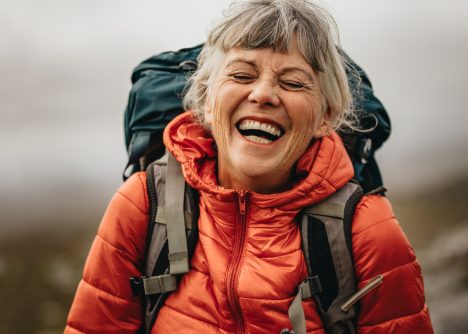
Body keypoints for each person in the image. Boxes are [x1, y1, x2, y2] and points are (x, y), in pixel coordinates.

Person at [65, 0, 433, 333]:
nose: (262, 94)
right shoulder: (142, 205)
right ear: (207, 101)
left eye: (292, 82)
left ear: (327, 117)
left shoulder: (367, 231)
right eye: (241, 76)